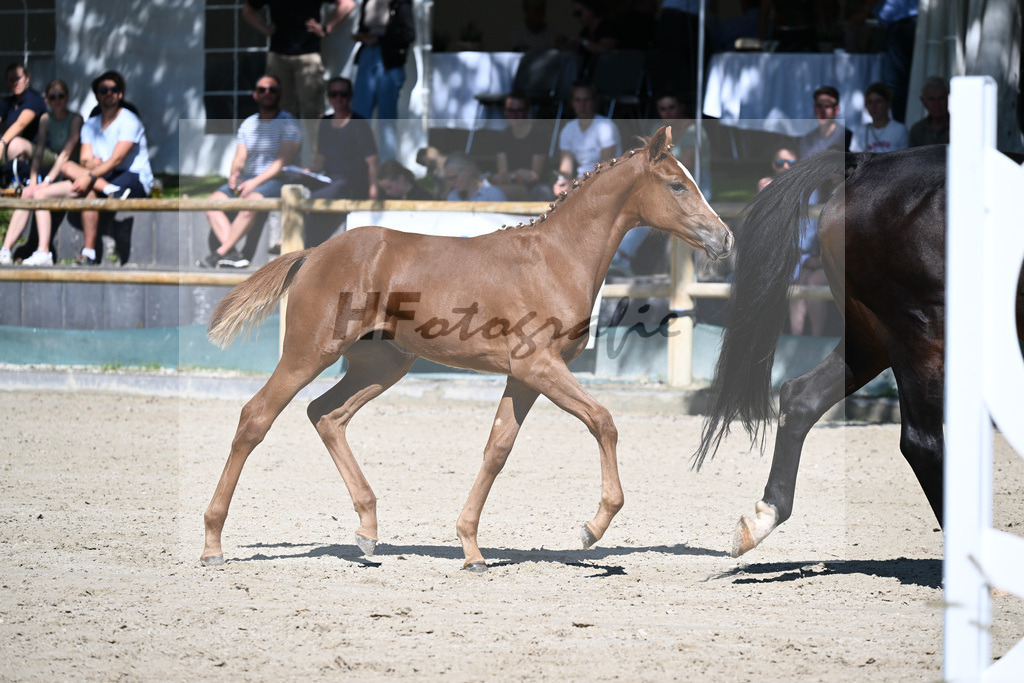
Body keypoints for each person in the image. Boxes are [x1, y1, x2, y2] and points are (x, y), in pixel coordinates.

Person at [22, 70, 153, 266]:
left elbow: (116, 160)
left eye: (113, 89)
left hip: (133, 177)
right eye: (103, 90)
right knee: (68, 169)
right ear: (97, 95)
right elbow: (84, 160)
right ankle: (87, 252)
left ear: (120, 94)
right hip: (104, 178)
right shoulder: (90, 124)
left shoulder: (129, 120)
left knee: (86, 183)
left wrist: (91, 174)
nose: (108, 93)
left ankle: (108, 192)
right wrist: (91, 167)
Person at [200, 75, 302, 269]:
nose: (267, 93)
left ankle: (220, 253)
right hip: (252, 179)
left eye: (272, 90)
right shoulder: (248, 124)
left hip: (280, 179)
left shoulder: (289, 122)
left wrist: (254, 183)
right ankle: (234, 254)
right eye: (262, 89)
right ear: (255, 95)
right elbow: (239, 159)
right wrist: (235, 176)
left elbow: (283, 162)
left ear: (280, 95)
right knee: (211, 203)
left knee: (251, 201)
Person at [243, 0, 355, 159]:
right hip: (278, 56)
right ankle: (286, 163)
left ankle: (318, 163)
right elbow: (248, 10)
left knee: (312, 111)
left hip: (308, 56)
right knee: (282, 112)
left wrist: (326, 29)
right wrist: (266, 30)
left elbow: (347, 4)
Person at [0, 79, 83, 266]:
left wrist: (45, 181)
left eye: (61, 96)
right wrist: (32, 181)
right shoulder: (46, 119)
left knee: (40, 194)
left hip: (74, 177)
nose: (57, 100)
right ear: (47, 100)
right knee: (28, 193)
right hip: (57, 176)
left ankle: (44, 251)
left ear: (67, 97)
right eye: (53, 97)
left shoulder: (76, 119)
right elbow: (38, 152)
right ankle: (5, 250)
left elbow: (66, 154)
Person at [303, 76, 378, 247]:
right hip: (329, 179)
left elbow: (372, 160)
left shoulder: (359, 123)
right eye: (333, 94)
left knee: (311, 198)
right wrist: (306, 172)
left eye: (343, 94)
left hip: (351, 182)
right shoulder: (325, 122)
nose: (338, 98)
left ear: (350, 96)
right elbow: (321, 158)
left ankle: (298, 240)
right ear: (328, 97)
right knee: (292, 186)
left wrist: (373, 190)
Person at [351, 0, 416, 162]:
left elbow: (409, 34)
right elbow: (363, 26)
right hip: (367, 58)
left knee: (386, 120)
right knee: (360, 117)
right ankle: (358, 165)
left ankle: (388, 167)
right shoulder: (368, 2)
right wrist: (363, 36)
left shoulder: (400, 3)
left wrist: (381, 38)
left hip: (388, 63)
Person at [555, 83, 621, 192]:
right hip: (580, 184)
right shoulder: (568, 129)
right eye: (578, 100)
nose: (582, 104)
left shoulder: (606, 127)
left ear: (594, 102)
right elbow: (566, 169)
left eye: (586, 100)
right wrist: (562, 183)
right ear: (572, 103)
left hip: (608, 184)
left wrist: (575, 184)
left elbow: (604, 169)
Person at [491, 94, 550, 201]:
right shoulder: (502, 136)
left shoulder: (539, 135)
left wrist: (510, 176)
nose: (514, 114)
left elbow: (535, 176)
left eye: (519, 110)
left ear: (527, 111)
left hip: (534, 188)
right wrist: (517, 174)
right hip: (510, 184)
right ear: (505, 111)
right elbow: (502, 173)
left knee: (495, 192)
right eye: (510, 110)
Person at [0, 64, 47, 186]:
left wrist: (2, 143)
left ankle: (16, 184)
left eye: (18, 78)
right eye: (11, 80)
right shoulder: (7, 102)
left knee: (15, 144)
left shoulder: (34, 98)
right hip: (12, 152)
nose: (15, 82)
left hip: (42, 152)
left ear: (27, 79)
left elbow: (21, 124)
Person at [556, 0, 618, 82]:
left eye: (579, 13)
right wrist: (564, 43)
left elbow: (605, 49)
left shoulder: (607, 26)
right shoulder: (585, 31)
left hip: (604, 74)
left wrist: (583, 41)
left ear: (591, 9)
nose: (578, 17)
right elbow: (576, 51)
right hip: (586, 75)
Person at [850, 81, 908, 153]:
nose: (874, 106)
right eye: (870, 102)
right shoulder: (860, 131)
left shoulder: (899, 130)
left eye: (878, 101)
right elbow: (854, 157)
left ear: (888, 104)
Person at [798, 85, 851, 159]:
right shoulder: (806, 140)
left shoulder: (849, 138)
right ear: (814, 108)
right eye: (819, 106)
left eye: (827, 106)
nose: (822, 111)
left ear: (836, 110)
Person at [908, 76, 950, 147]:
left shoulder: (959, 127)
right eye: (931, 99)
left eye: (941, 98)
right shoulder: (917, 130)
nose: (936, 104)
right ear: (923, 101)